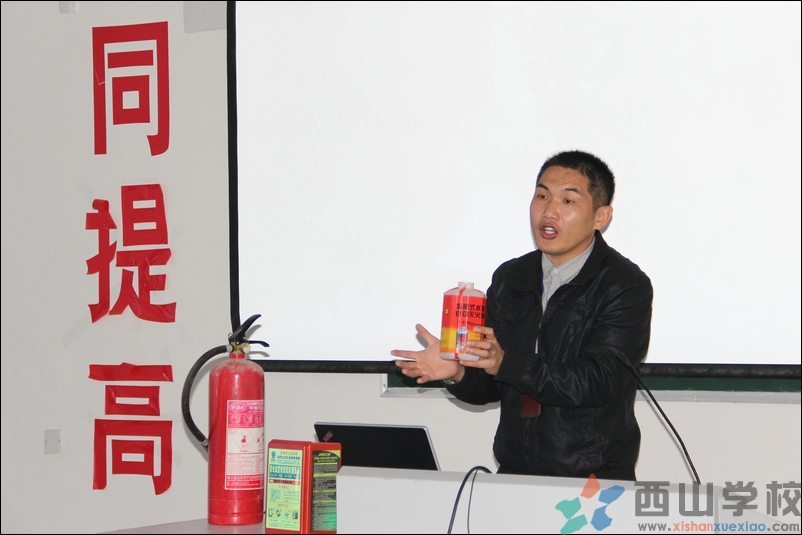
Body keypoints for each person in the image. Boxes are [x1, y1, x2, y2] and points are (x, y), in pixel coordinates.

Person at [392, 150, 653, 481]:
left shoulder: (623, 284)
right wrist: (458, 372)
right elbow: (492, 384)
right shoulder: (511, 278)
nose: (549, 211)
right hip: (515, 474)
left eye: (568, 201)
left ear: (601, 216)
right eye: (542, 196)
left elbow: (598, 381)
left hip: (593, 479)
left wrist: (506, 363)